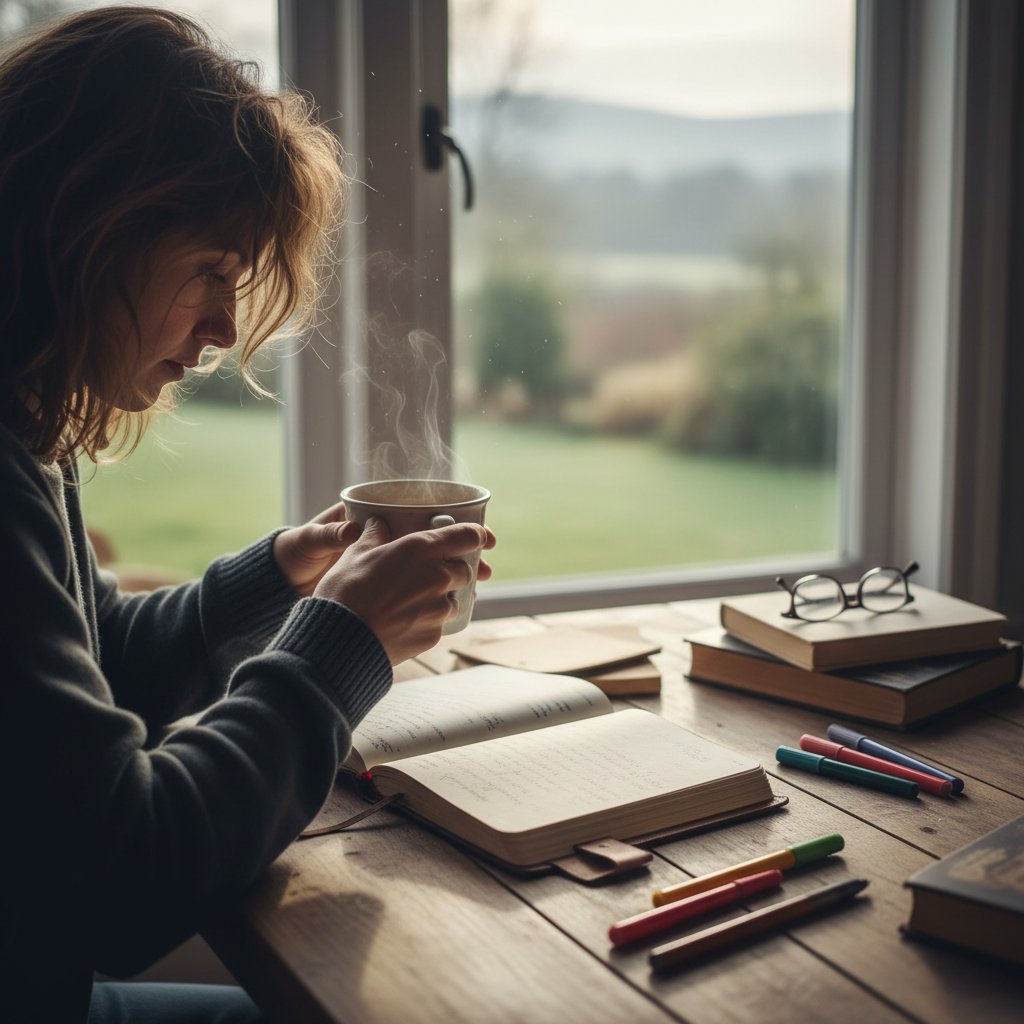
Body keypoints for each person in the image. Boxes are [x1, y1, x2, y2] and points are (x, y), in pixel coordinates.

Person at [0, 7, 495, 1023]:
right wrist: (339, 646)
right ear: (91, 224)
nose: (225, 330)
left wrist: (273, 581)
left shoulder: (24, 422)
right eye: (212, 274)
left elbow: (81, 677)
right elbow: (126, 875)